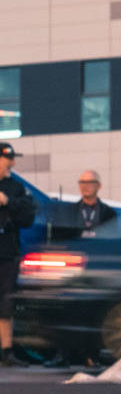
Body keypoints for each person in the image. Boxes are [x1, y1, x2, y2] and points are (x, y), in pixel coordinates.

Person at [0, 142, 37, 367]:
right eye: (7, 159)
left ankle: (6, 352)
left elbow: (28, 216)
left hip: (7, 252)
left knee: (6, 303)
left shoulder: (15, 188)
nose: (10, 163)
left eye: (11, 160)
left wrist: (7, 201)